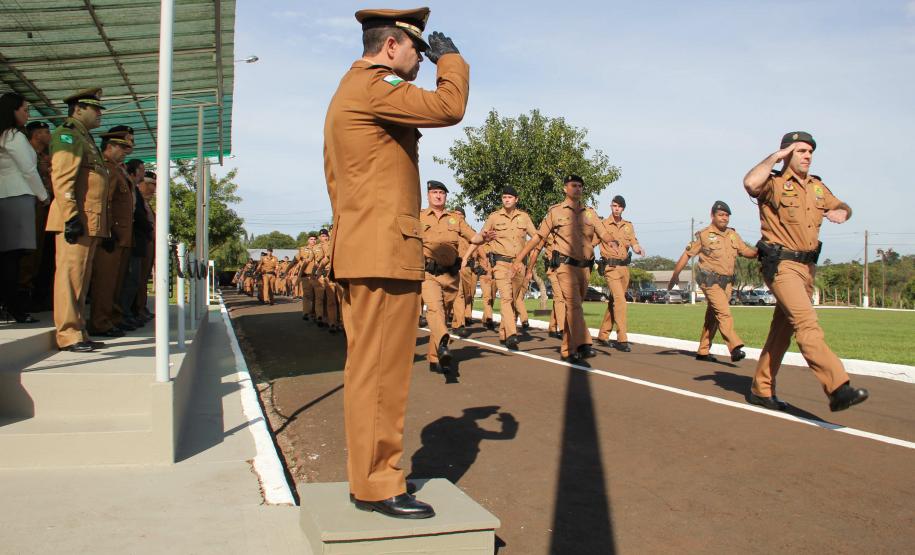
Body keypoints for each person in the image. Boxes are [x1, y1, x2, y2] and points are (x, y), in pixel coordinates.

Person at [324, 6, 468, 518]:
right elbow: (449, 107)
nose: (420, 55)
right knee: (382, 374)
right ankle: (380, 484)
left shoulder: (354, 88)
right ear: (391, 46)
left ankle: (368, 476)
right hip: (382, 253)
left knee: (369, 371)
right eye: (417, 47)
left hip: (370, 248)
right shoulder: (374, 85)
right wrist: (450, 61)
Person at [743, 131, 868, 412]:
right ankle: (838, 387)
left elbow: (840, 205)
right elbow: (750, 182)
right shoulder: (773, 183)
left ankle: (761, 389)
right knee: (807, 323)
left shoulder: (817, 187)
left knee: (781, 330)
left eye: (810, 151)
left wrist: (843, 212)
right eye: (801, 151)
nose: (808, 156)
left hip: (807, 268)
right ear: (787, 153)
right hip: (781, 265)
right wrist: (776, 157)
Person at [513, 175, 616, 362]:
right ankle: (584, 343)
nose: (577, 189)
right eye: (573, 185)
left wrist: (613, 241)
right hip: (564, 266)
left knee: (574, 308)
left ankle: (568, 349)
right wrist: (520, 258)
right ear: (565, 189)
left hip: (585, 268)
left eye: (580, 186)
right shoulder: (555, 212)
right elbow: (538, 238)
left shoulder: (590, 213)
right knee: (574, 305)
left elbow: (604, 233)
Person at [45, 88, 110, 352]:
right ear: (78, 109)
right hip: (77, 218)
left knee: (81, 279)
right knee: (70, 277)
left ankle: (78, 330)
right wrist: (71, 216)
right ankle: (68, 334)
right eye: (94, 109)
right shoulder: (68, 135)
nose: (99, 114)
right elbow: (62, 178)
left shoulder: (85, 138)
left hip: (89, 219)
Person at [668, 201, 756, 362]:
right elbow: (687, 254)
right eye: (721, 215)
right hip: (709, 281)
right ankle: (734, 347)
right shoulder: (704, 235)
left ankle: (703, 351)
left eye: (727, 216)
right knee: (723, 313)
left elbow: (746, 251)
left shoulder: (733, 235)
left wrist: (760, 250)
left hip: (727, 283)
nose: (724, 218)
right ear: (712, 216)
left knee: (713, 317)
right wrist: (675, 275)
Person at [420, 180, 487, 380]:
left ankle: (434, 357)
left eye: (442, 193)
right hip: (428, 274)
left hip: (451, 276)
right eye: (435, 192)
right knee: (435, 310)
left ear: (446, 196)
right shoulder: (419, 216)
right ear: (428, 195)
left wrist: (485, 236)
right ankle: (443, 346)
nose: (438, 196)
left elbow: (473, 237)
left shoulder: (455, 219)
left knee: (443, 316)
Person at [464, 187, 538, 350]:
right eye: (504, 197)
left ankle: (504, 333)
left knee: (512, 298)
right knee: (506, 297)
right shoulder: (494, 218)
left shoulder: (524, 218)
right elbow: (480, 238)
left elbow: (536, 237)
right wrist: (465, 256)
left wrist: (530, 256)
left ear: (516, 199)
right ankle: (512, 334)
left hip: (519, 265)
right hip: (500, 264)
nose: (506, 200)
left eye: (510, 197)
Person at [0, 92, 50, 323]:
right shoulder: (13, 136)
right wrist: (43, 196)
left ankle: (10, 305)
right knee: (13, 257)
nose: (27, 114)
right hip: (17, 196)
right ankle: (14, 307)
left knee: (9, 257)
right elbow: (29, 170)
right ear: (13, 110)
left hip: (7, 196)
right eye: (25, 109)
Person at [88, 128, 135, 337]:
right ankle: (100, 322)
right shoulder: (107, 169)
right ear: (110, 147)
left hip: (122, 236)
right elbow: (104, 201)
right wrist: (107, 231)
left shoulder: (118, 170)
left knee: (115, 282)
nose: (126, 151)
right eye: (122, 147)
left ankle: (112, 317)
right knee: (105, 282)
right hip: (112, 235)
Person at [595, 195, 644, 352]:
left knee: (614, 302)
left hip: (624, 269)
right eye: (614, 205)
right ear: (611, 206)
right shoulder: (602, 224)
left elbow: (633, 242)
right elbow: (592, 242)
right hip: (610, 268)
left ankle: (603, 335)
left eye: (619, 206)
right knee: (621, 301)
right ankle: (622, 339)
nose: (616, 208)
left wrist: (638, 249)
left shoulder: (628, 226)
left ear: (623, 209)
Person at [18, 120, 54, 313]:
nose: (50, 136)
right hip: (31, 207)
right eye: (46, 132)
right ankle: (23, 296)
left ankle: (37, 295)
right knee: (29, 253)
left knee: (41, 253)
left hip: (45, 209)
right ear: (37, 134)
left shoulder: (45, 156)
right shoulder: (26, 154)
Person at [117, 158, 150, 326]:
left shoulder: (134, 190)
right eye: (142, 170)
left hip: (137, 239)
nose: (143, 173)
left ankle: (129, 312)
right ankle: (125, 313)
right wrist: (148, 227)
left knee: (135, 279)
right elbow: (137, 214)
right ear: (134, 171)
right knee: (130, 278)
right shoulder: (131, 189)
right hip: (133, 237)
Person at [134, 170, 156, 320]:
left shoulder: (147, 205)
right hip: (138, 242)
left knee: (143, 277)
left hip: (148, 244)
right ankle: (135, 309)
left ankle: (141, 307)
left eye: (154, 185)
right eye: (148, 184)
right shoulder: (136, 201)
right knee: (135, 277)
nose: (152, 188)